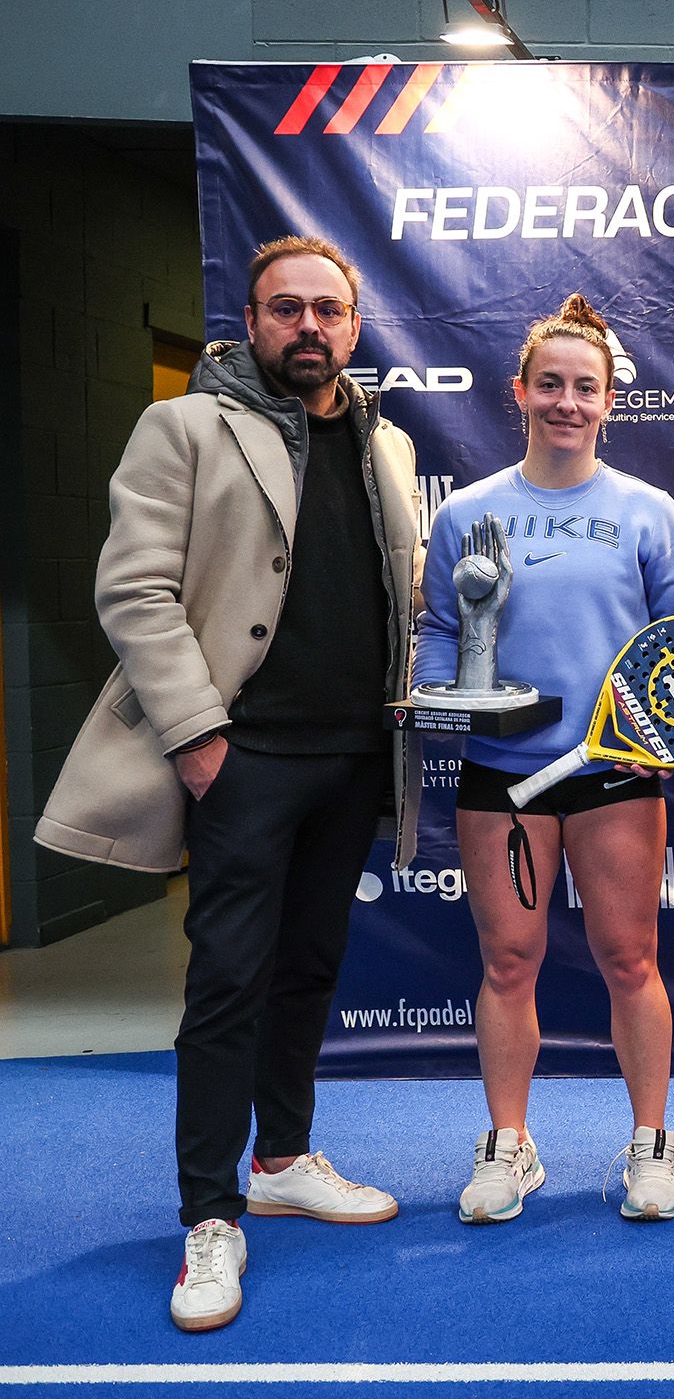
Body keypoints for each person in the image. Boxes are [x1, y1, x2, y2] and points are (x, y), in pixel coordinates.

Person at [35, 236, 421, 1332]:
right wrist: (202, 739)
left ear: (354, 323)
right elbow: (135, 592)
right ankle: (210, 1215)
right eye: (286, 308)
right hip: (241, 757)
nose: (309, 327)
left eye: (328, 310)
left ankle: (285, 1157)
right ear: (251, 320)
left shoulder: (382, 442)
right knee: (227, 988)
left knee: (307, 969)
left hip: (351, 757)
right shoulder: (183, 427)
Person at [413, 294, 674, 1226]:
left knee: (628, 958)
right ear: (520, 394)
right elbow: (442, 634)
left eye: (586, 387)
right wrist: (435, 697)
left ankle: (652, 1145)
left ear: (610, 401)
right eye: (550, 385)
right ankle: (509, 1146)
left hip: (615, 773)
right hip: (503, 775)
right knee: (508, 960)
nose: (567, 402)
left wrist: (656, 733)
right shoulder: (468, 513)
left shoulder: (649, 513)